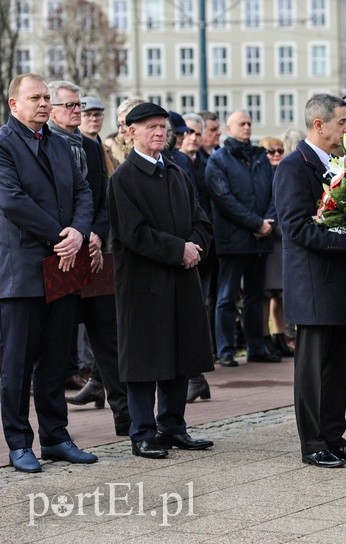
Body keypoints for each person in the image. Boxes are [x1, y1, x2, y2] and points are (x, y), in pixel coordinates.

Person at [107, 102, 215, 459]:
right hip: (144, 283)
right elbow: (133, 234)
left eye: (162, 127)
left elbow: (201, 220)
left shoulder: (176, 172)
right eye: (150, 127)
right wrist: (178, 249)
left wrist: (194, 246)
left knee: (179, 352)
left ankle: (173, 426)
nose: (158, 132)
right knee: (144, 357)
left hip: (181, 277)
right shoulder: (124, 179)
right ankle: (142, 432)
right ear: (131, 132)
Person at [0, 73, 96, 472]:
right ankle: (19, 443)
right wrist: (62, 236)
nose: (43, 103)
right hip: (22, 270)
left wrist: (79, 231)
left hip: (63, 266)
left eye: (46, 97)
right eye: (35, 98)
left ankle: (56, 437)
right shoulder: (4, 144)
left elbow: (83, 192)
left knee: (57, 360)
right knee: (17, 364)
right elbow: (11, 200)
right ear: (14, 104)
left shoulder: (58, 144)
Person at [274, 93, 346, 469]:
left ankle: (334, 436)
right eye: (342, 123)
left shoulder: (340, 162)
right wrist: (344, 238)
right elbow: (295, 227)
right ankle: (313, 442)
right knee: (314, 371)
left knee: (337, 366)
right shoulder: (294, 166)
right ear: (319, 125)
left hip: (342, 281)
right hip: (315, 284)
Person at [47, 80, 130, 436]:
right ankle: (55, 431)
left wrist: (96, 233)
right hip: (61, 255)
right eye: (69, 105)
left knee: (109, 338)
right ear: (52, 110)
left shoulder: (92, 148)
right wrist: (77, 236)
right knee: (56, 344)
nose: (77, 111)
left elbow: (103, 200)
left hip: (96, 254)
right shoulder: (44, 146)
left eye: (79, 105)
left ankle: (128, 420)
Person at [206, 110, 279, 367]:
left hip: (261, 237)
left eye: (249, 123)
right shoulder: (218, 160)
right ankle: (225, 349)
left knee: (255, 296)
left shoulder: (260, 157)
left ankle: (256, 346)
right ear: (229, 128)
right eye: (241, 124)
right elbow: (224, 199)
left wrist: (267, 222)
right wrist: (256, 223)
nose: (247, 127)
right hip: (233, 239)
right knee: (226, 297)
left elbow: (274, 192)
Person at [176, 113, 214, 402]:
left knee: (193, 311)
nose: (184, 137)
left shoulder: (181, 163)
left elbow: (197, 208)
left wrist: (194, 245)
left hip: (192, 246)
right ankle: (196, 377)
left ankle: (196, 377)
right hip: (178, 248)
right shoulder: (177, 161)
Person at [257, 135, 295, 359]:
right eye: (271, 151)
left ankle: (280, 336)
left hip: (283, 241)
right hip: (266, 239)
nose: (277, 154)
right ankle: (265, 337)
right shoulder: (260, 175)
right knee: (265, 294)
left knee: (280, 294)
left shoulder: (284, 172)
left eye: (280, 150)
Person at [79, 95, 116, 174]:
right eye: (88, 115)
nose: (94, 119)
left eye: (97, 114)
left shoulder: (107, 150)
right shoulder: (75, 149)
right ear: (78, 117)